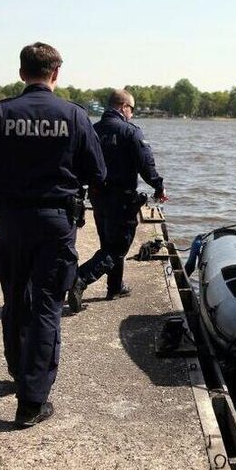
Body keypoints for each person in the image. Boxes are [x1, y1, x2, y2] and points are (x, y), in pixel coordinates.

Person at [0, 42, 106, 428]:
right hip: (56, 223)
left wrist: (8, 182)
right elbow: (98, 173)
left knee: (13, 299)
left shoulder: (0, 114)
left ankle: (18, 371)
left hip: (11, 220)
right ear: (56, 74)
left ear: (22, 72)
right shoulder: (74, 116)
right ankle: (32, 401)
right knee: (46, 305)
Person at [68, 89, 166, 312]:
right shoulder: (130, 132)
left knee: (109, 244)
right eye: (131, 109)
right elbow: (145, 164)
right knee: (118, 247)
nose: (132, 114)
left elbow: (79, 163)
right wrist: (159, 186)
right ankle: (80, 279)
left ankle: (115, 287)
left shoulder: (93, 130)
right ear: (123, 107)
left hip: (98, 196)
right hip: (122, 198)